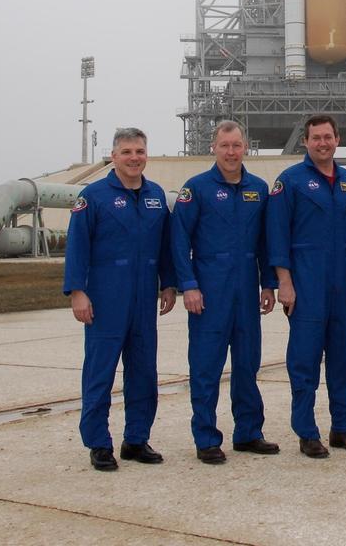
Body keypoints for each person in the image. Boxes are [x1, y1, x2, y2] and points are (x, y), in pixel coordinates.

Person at [63, 127, 177, 472]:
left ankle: (136, 439)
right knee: (100, 373)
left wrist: (169, 284)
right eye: (127, 152)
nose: (134, 158)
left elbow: (166, 246)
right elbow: (77, 246)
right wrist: (78, 292)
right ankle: (98, 442)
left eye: (140, 151)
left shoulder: (156, 195)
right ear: (114, 156)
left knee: (143, 371)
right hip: (105, 298)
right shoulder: (93, 196)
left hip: (144, 298)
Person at [171, 120, 280, 464]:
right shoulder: (197, 189)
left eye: (236, 145)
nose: (231, 152)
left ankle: (248, 432)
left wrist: (269, 284)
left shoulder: (258, 189)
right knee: (206, 368)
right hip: (209, 291)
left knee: (247, 365)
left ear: (245, 147)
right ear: (213, 148)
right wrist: (188, 285)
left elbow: (266, 242)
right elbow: (179, 240)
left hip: (246, 290)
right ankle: (206, 438)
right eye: (225, 146)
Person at [266, 114, 346, 458]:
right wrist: (284, 282)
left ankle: (344, 428)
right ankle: (307, 432)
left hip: (342, 280)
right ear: (306, 142)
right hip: (305, 281)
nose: (322, 143)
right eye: (316, 138)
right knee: (305, 360)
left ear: (337, 139)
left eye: (328, 137)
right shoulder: (290, 181)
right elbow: (277, 236)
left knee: (344, 358)